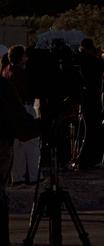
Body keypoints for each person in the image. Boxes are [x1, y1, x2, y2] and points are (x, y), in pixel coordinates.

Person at [1, 63, 38, 246]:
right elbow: (23, 129)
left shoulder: (7, 74)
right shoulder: (4, 86)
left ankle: (21, 177)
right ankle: (29, 176)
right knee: (29, 151)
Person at [3, 45, 39, 187]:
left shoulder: (5, 71)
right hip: (24, 107)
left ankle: (17, 177)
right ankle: (33, 176)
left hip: (11, 111)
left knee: (17, 146)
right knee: (32, 143)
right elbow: (31, 91)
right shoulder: (21, 73)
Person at [73, 38, 104, 170]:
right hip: (92, 99)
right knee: (91, 130)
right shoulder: (90, 61)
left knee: (84, 130)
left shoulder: (78, 60)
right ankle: (86, 159)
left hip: (84, 98)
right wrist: (98, 57)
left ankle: (82, 158)